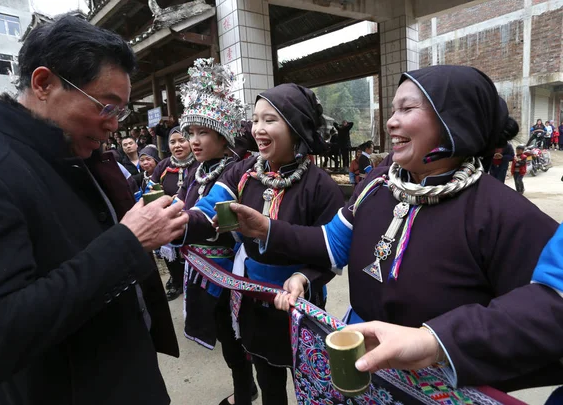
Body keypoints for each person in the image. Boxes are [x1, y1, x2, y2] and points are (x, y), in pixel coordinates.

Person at [230, 65, 563, 393]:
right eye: (393, 110)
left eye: (407, 108)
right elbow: (331, 243)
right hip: (363, 363)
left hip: (441, 386)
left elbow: (545, 316)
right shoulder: (376, 185)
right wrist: (267, 229)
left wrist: (438, 341)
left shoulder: (501, 211)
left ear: (453, 120)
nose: (391, 122)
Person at [0, 14, 189, 405]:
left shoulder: (73, 154)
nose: (113, 126)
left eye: (120, 112)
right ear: (44, 83)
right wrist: (126, 244)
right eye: (106, 108)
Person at [182, 83, 344, 405]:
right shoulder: (242, 172)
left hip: (299, 304)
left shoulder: (320, 185)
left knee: (309, 383)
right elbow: (208, 210)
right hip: (253, 299)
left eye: (270, 120)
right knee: (269, 384)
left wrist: (304, 278)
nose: (257, 129)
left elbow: (331, 254)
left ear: (295, 125)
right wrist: (179, 222)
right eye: (255, 120)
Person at [174, 58, 257, 405]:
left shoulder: (238, 170)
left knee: (237, 339)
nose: (194, 140)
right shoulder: (197, 171)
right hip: (205, 273)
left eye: (202, 132)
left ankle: (244, 394)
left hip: (229, 274)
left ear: (223, 136)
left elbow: (211, 218)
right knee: (226, 337)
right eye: (190, 132)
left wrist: (168, 224)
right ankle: (246, 388)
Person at [151, 126, 198, 301]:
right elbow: (152, 189)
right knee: (170, 256)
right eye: (172, 142)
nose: (177, 145)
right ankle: (176, 281)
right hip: (168, 217)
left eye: (182, 140)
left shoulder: (199, 164)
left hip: (192, 218)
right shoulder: (163, 166)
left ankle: (191, 282)